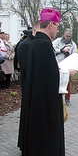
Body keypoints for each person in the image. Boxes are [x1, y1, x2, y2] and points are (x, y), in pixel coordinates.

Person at [22, 8, 67, 156]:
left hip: (36, 99)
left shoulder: (35, 43)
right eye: (57, 26)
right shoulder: (45, 45)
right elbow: (50, 77)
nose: (57, 30)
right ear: (51, 25)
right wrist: (67, 72)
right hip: (45, 103)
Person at [16, 20, 40, 151]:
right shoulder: (25, 45)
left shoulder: (34, 44)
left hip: (33, 84)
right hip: (28, 85)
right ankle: (25, 143)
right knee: (27, 114)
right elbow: (26, 68)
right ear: (35, 31)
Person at [52, 28, 77, 106]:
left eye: (69, 36)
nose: (68, 38)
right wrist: (61, 50)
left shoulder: (73, 44)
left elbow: (75, 55)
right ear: (64, 35)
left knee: (68, 82)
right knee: (56, 82)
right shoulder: (58, 41)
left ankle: (67, 98)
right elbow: (52, 49)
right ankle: (55, 98)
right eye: (66, 36)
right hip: (58, 64)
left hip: (67, 66)